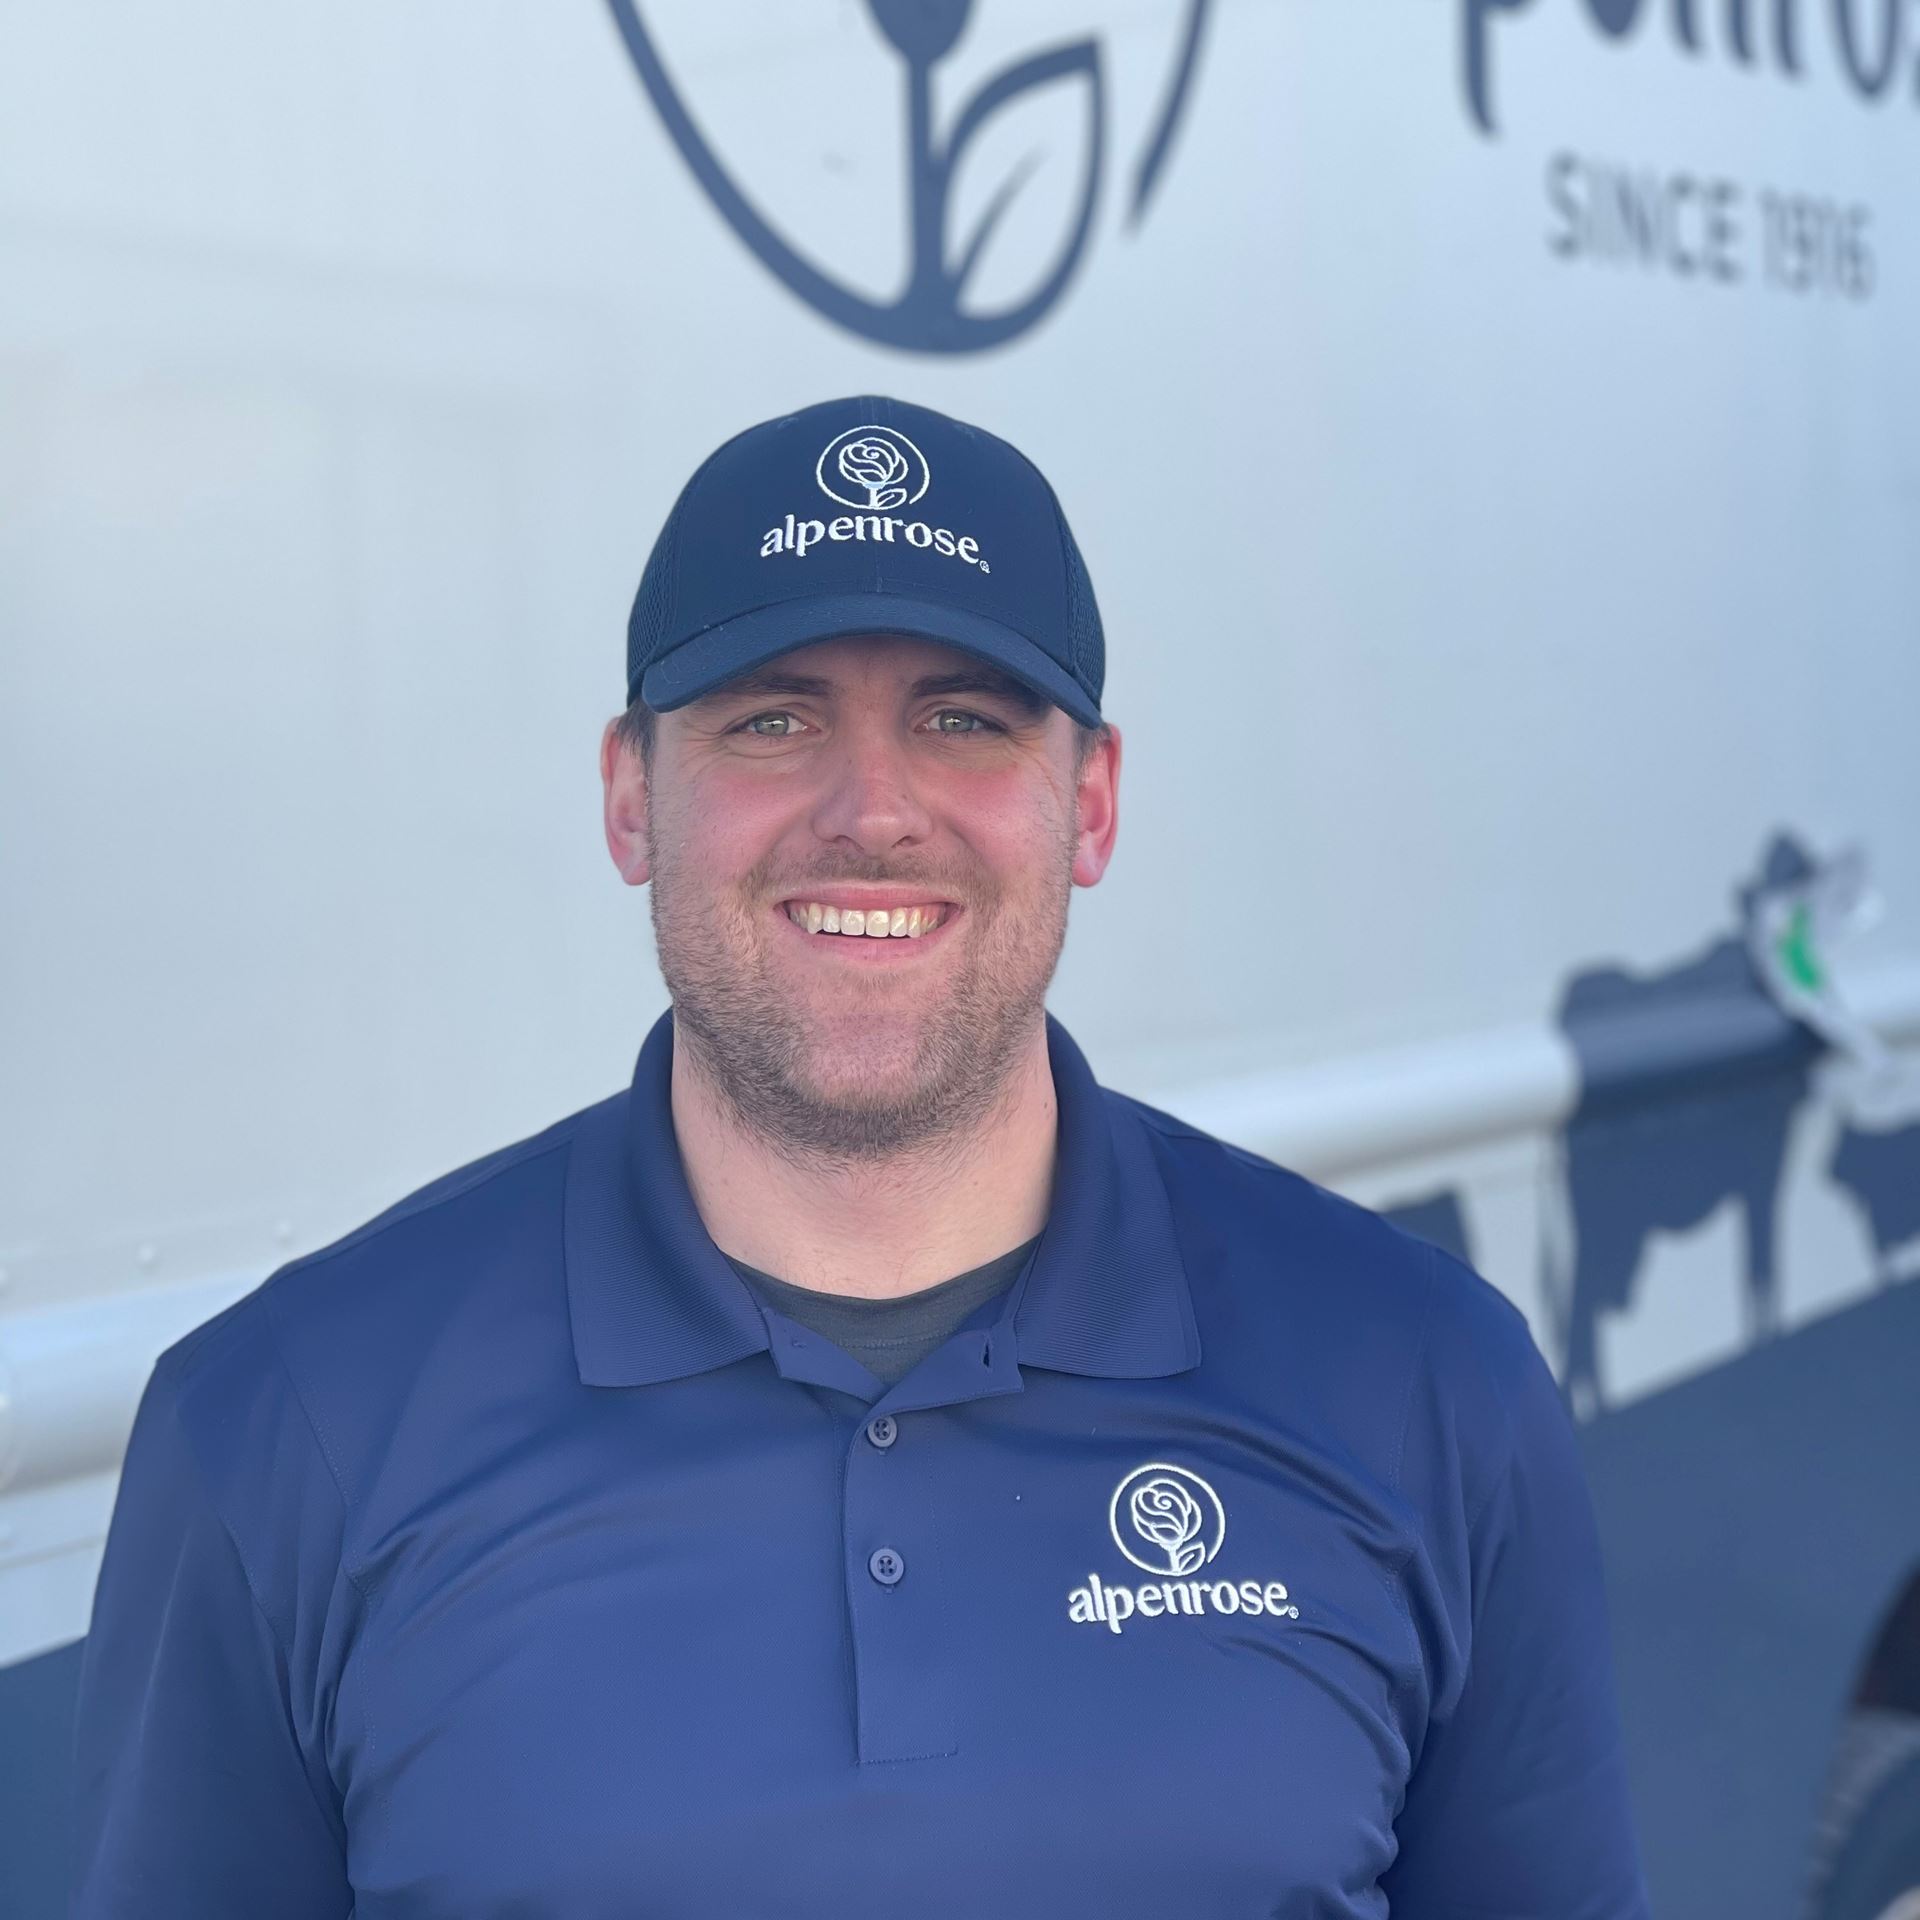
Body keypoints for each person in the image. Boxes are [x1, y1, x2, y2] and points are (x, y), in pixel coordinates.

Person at [70, 395, 1651, 1916]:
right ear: (632, 797)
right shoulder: (290, 1429)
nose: (872, 812)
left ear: (1089, 806)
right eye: (773, 718)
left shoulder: (1426, 1385)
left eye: (963, 720)